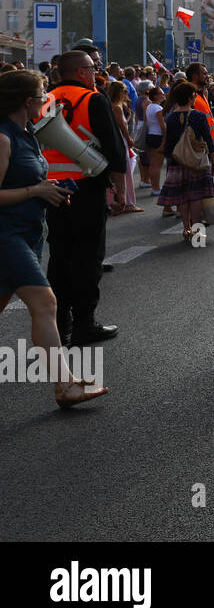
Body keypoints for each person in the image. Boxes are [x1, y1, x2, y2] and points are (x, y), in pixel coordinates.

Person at [0, 71, 109, 409]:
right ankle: (66, 386)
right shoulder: (3, 138)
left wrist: (51, 189)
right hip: (7, 236)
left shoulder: (26, 134)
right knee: (46, 303)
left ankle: (66, 386)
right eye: (41, 93)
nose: (46, 99)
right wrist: (36, 190)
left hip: (28, 232)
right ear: (26, 101)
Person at [42, 50, 127, 346]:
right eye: (93, 68)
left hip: (50, 190)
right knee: (88, 258)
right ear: (81, 72)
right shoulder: (93, 99)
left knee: (59, 256)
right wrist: (119, 192)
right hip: (86, 187)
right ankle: (83, 324)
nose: (96, 73)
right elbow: (115, 152)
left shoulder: (44, 99)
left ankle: (59, 323)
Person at [158, 82, 214, 241]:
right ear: (192, 97)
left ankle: (186, 229)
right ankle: (198, 230)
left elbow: (169, 143)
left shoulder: (170, 117)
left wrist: (171, 161)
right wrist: (213, 161)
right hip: (196, 161)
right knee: (196, 197)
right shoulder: (198, 116)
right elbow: (208, 140)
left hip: (177, 162)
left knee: (182, 197)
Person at [105, 81, 143, 214]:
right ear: (118, 92)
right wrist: (129, 139)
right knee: (125, 172)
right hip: (121, 140)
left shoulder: (116, 106)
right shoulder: (116, 106)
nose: (127, 94)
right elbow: (122, 126)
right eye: (125, 91)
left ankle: (119, 202)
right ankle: (128, 203)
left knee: (123, 172)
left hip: (119, 140)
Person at [143, 86, 166, 195]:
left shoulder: (149, 106)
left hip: (151, 135)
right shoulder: (158, 108)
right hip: (158, 136)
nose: (163, 94)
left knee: (153, 163)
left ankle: (155, 187)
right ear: (155, 96)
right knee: (157, 164)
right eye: (161, 93)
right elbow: (162, 126)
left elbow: (147, 122)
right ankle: (156, 188)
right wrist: (165, 138)